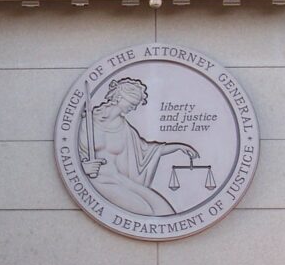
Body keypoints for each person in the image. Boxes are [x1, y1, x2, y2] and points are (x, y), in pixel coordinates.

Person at [80, 77, 198, 216]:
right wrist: (83, 168)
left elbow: (148, 150)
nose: (135, 107)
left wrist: (178, 146)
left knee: (164, 209)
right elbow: (72, 155)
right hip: (98, 180)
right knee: (147, 212)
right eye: (132, 102)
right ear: (119, 97)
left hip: (119, 179)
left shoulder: (123, 127)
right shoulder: (88, 122)